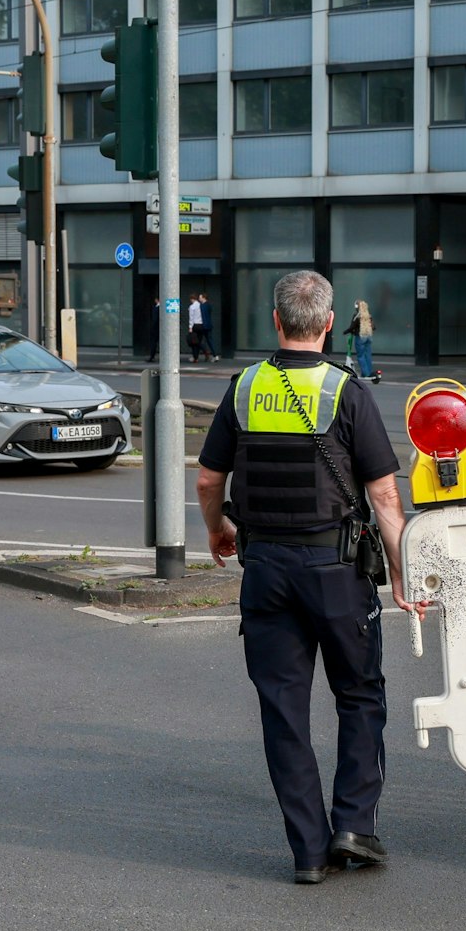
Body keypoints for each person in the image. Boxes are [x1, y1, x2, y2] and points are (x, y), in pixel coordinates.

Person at [195, 270, 426, 885]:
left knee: (283, 712)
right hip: (336, 571)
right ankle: (354, 825)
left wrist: (218, 529)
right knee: (359, 695)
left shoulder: (244, 387)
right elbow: (383, 495)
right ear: (328, 325)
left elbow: (208, 479)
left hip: (265, 570)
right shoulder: (346, 390)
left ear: (277, 322)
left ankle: (308, 852)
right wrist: (403, 577)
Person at [343, 300, 376, 382]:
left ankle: (365, 373)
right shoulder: (369, 316)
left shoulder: (357, 316)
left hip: (360, 337)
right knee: (367, 355)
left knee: (361, 356)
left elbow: (352, 327)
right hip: (368, 336)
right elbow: (374, 327)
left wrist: (345, 332)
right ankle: (369, 371)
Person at [186, 294, 208, 362]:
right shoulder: (200, 305)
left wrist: (190, 327)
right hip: (201, 325)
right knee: (198, 341)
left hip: (195, 325)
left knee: (194, 343)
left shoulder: (192, 307)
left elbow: (191, 318)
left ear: (192, 299)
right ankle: (202, 352)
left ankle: (197, 357)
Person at [146, 296, 161, 363]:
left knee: (153, 342)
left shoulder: (157, 308)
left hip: (156, 328)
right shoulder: (161, 308)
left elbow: (155, 319)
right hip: (159, 328)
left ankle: (152, 356)